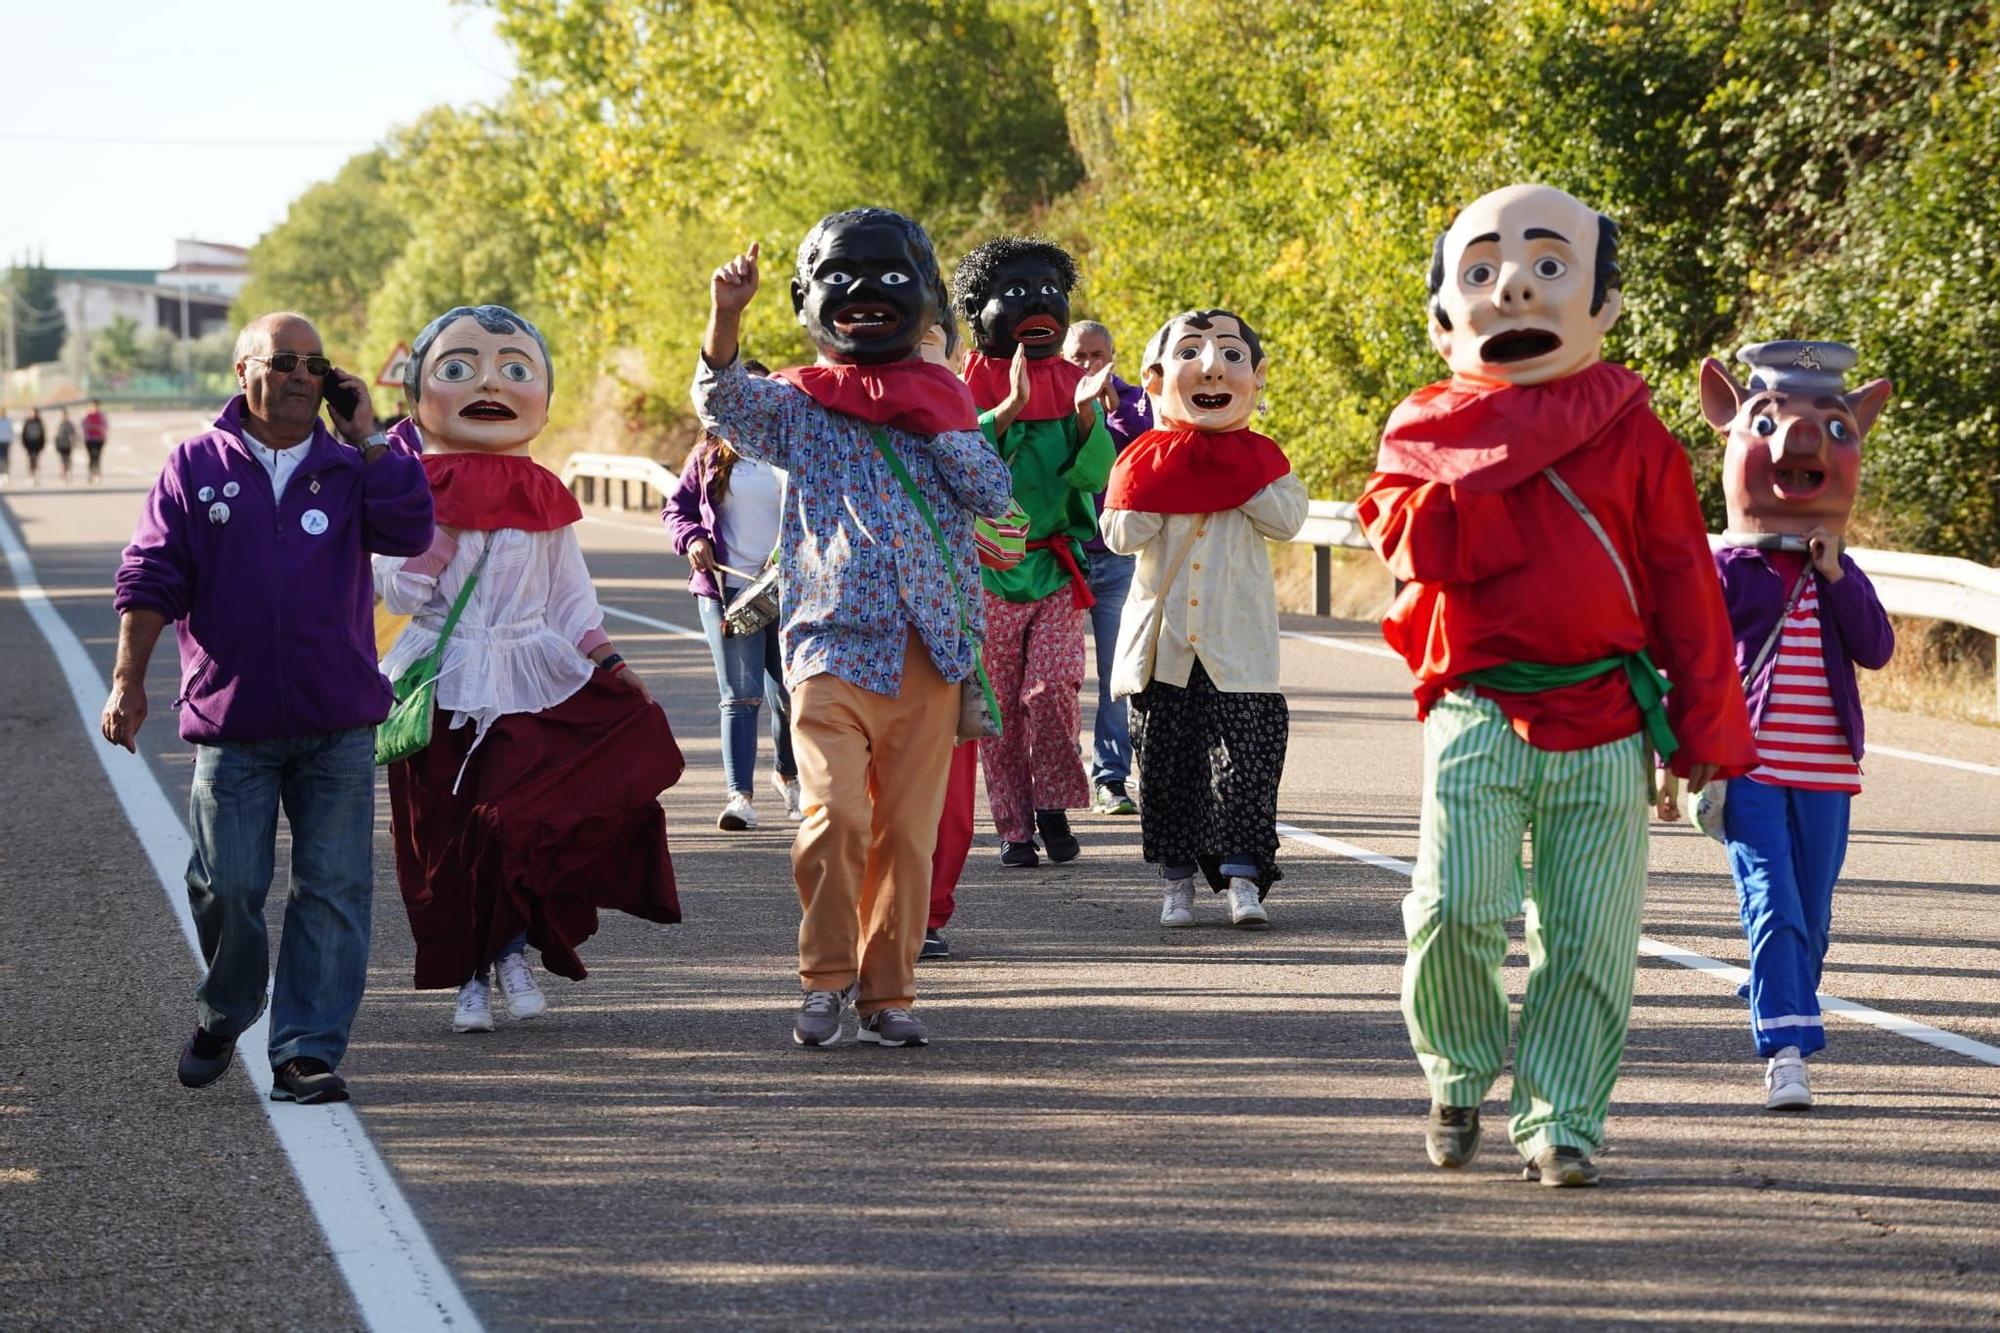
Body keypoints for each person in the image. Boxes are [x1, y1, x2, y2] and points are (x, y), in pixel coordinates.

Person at [1357, 185, 1757, 1186]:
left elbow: (1683, 588)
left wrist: (1699, 733)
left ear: (1601, 306)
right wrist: (1499, 468)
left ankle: (1561, 1121)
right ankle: (1455, 1073)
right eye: (1481, 271)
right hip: (1476, 703)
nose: (1513, 290)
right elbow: (1403, 537)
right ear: (1442, 313)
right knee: (1451, 909)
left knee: (1587, 936)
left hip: (1606, 712)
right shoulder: (1422, 429)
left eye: (1546, 266)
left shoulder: (1637, 438)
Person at [694, 211, 1014, 1048]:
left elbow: (990, 494)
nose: (865, 294)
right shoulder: (802, 404)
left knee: (906, 836)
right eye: (838, 277)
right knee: (835, 817)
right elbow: (721, 401)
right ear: (807, 299)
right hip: (830, 641)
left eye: (889, 276)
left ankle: (888, 991)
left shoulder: (949, 399)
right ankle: (826, 976)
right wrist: (727, 312)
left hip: (929, 648)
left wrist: (940, 411)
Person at [104, 311, 433, 1104]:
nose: (300, 375)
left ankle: (305, 1052)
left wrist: (370, 437)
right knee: (228, 884)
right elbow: (150, 578)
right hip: (233, 720)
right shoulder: (194, 465)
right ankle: (226, 1009)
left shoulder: (354, 465)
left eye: (315, 364)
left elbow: (411, 527)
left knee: (334, 889)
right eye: (283, 360)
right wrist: (128, 679)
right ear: (243, 370)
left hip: (338, 722)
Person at [378, 304, 684, 1035]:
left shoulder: (542, 489)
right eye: (459, 369)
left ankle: (511, 951)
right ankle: (471, 981)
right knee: (451, 838)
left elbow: (571, 598)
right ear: (420, 388)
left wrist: (610, 661)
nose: (489, 384)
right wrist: (444, 527)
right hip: (443, 678)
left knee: (513, 824)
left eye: (515, 369)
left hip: (527, 673)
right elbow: (394, 589)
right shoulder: (410, 485)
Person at [1662, 341, 1894, 1111]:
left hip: (1827, 768)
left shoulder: (1840, 570)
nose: (1797, 444)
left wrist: (1833, 575)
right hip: (1748, 764)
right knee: (1774, 900)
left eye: (1833, 429)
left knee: (1813, 911)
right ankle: (1787, 1048)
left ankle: (1778, 985)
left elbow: (1877, 647)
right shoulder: (1725, 566)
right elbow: (1687, 661)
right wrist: (1671, 753)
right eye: (1768, 421)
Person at [1101, 309, 1306, 929]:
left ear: (1256, 377)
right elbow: (1116, 534)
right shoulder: (1142, 456)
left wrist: (1231, 472)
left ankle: (1244, 882)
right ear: (1156, 378)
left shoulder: (1262, 457)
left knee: (1245, 766)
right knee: (1166, 769)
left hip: (1238, 646)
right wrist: (1165, 480)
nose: (1212, 368)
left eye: (1230, 357)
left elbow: (1288, 520)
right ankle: (1177, 887)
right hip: (1164, 644)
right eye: (1190, 354)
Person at [953, 237, 1115, 868]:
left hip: (1052, 567)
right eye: (1016, 293)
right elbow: (957, 464)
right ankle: (1014, 829)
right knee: (997, 708)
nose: (1038, 303)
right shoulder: (957, 385)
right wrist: (1007, 409)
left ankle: (1052, 803)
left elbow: (1092, 477)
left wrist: (1080, 419)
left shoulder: (1077, 383)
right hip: (987, 572)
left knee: (1050, 692)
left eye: (1050, 290)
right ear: (979, 309)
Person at [664, 401, 803, 833]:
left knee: (793, 694)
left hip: (790, 590)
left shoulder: (793, 452)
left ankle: (790, 775)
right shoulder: (710, 454)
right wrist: (692, 540)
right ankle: (739, 797)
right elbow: (677, 511)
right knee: (740, 696)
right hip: (728, 591)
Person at [1063, 319, 1151, 816]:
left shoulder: (1137, 402)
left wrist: (1112, 412)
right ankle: (1056, 777)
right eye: (1078, 355)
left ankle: (1111, 779)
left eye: (1097, 355)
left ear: (1112, 356)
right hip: (1064, 557)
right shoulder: (1050, 400)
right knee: (1056, 679)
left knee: (1117, 676)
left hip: (1117, 559)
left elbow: (1140, 461)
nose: (1088, 365)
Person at [82, 399, 108, 483]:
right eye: (93, 406)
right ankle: (91, 473)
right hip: (89, 439)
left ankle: (97, 474)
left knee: (97, 456)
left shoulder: (101, 415)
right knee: (91, 457)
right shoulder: (86, 415)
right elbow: (83, 425)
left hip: (99, 439)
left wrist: (96, 428)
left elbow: (105, 427)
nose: (94, 408)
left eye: (96, 406)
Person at [20, 407, 44, 484]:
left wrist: (42, 444)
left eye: (34, 413)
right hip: (29, 444)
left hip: (37, 444)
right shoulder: (27, 422)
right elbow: (24, 433)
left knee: (36, 459)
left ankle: (36, 475)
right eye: (32, 413)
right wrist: (24, 443)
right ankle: (31, 475)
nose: (33, 414)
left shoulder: (39, 422)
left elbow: (43, 434)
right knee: (30, 460)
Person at [53, 408, 76, 483]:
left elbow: (74, 435)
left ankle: (68, 472)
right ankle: (64, 472)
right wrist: (56, 444)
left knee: (68, 459)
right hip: (61, 444)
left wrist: (74, 443)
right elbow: (55, 435)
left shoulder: (70, 424)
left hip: (68, 444)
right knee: (62, 459)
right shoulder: (59, 424)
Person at [0, 411, 12, 485]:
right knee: (1, 459)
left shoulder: (8, 421)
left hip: (6, 442)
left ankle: (6, 473)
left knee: (6, 458)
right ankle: (1, 473)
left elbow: (10, 431)